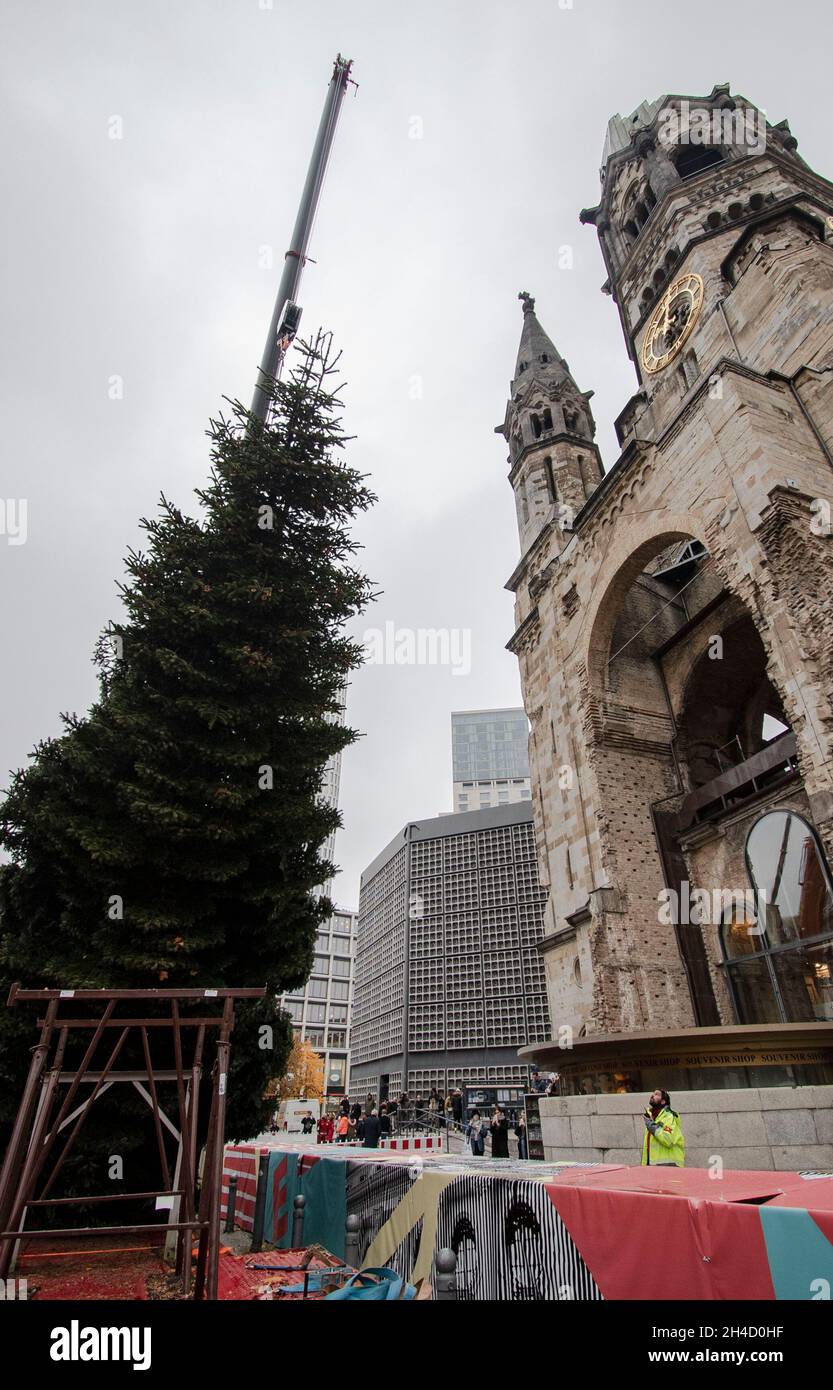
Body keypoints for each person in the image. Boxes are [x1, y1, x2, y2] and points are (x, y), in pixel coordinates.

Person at [641, 1089, 685, 1167]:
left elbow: (668, 1139)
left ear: (663, 1101)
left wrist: (652, 1126)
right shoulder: (653, 1118)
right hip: (654, 1167)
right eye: (653, 1093)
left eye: (656, 1094)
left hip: (669, 1166)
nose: (652, 1095)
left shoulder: (668, 1116)